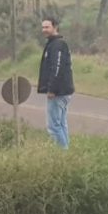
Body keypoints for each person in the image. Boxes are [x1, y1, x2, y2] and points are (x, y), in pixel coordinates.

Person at [37, 16, 75, 149]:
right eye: (43, 27)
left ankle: (62, 153)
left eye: (47, 27)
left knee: (53, 126)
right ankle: (66, 152)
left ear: (55, 27)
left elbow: (57, 68)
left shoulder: (57, 45)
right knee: (61, 123)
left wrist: (52, 89)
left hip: (59, 92)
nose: (44, 30)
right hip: (62, 91)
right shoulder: (52, 44)